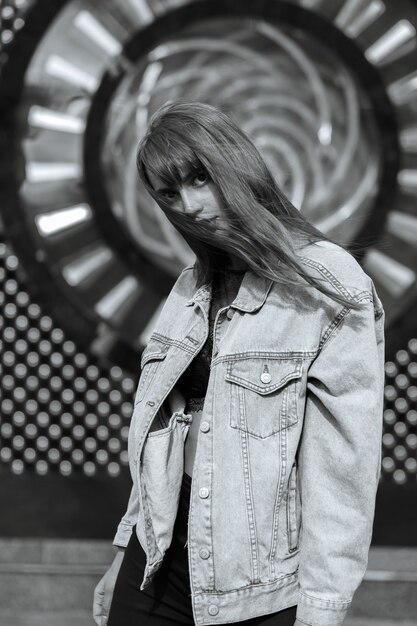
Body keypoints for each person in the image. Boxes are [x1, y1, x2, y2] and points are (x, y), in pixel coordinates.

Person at [93, 101, 385, 626]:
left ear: (235, 165)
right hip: (156, 565)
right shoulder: (188, 289)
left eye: (199, 178)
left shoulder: (327, 282)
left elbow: (343, 467)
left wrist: (322, 609)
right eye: (171, 193)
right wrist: (123, 551)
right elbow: (160, 434)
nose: (190, 204)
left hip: (256, 583)